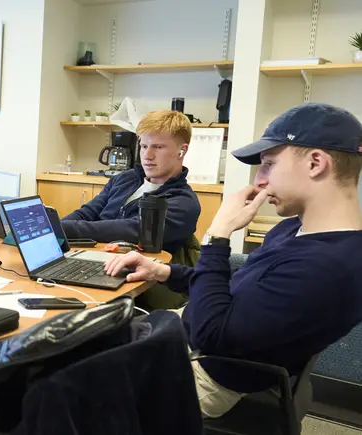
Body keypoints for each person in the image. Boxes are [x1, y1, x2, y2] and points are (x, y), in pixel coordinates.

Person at [104, 102, 362, 418]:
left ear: (316, 163)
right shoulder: (295, 230)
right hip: (186, 335)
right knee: (83, 338)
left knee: (59, 383)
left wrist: (218, 234)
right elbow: (236, 292)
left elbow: (210, 335)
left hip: (200, 372)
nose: (261, 180)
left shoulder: (327, 267)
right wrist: (165, 271)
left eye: (268, 164)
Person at [60, 110, 201, 256]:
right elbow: (87, 213)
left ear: (182, 151)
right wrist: (55, 231)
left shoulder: (184, 203)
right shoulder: (124, 179)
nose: (147, 156)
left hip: (139, 272)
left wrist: (62, 228)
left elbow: (134, 229)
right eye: (144, 146)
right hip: (92, 258)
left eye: (158, 147)